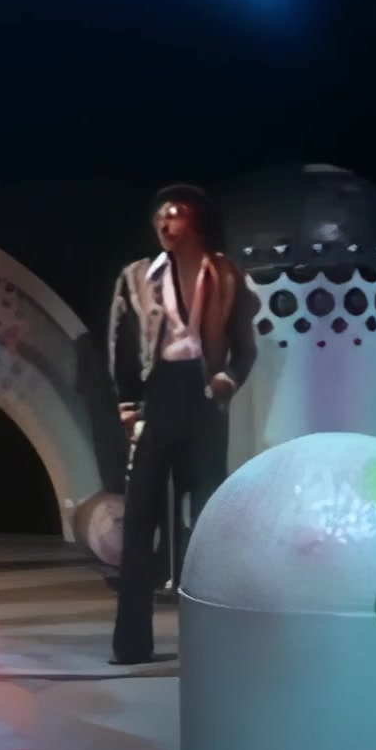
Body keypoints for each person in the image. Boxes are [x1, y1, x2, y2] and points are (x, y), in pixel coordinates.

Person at [107, 184, 258, 664]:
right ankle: (132, 643)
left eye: (175, 215)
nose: (165, 224)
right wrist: (128, 405)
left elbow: (245, 346)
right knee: (140, 520)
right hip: (159, 395)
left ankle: (212, 640)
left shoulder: (225, 274)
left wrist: (227, 380)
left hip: (203, 396)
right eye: (160, 217)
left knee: (209, 516)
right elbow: (121, 343)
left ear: (195, 221)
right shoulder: (137, 276)